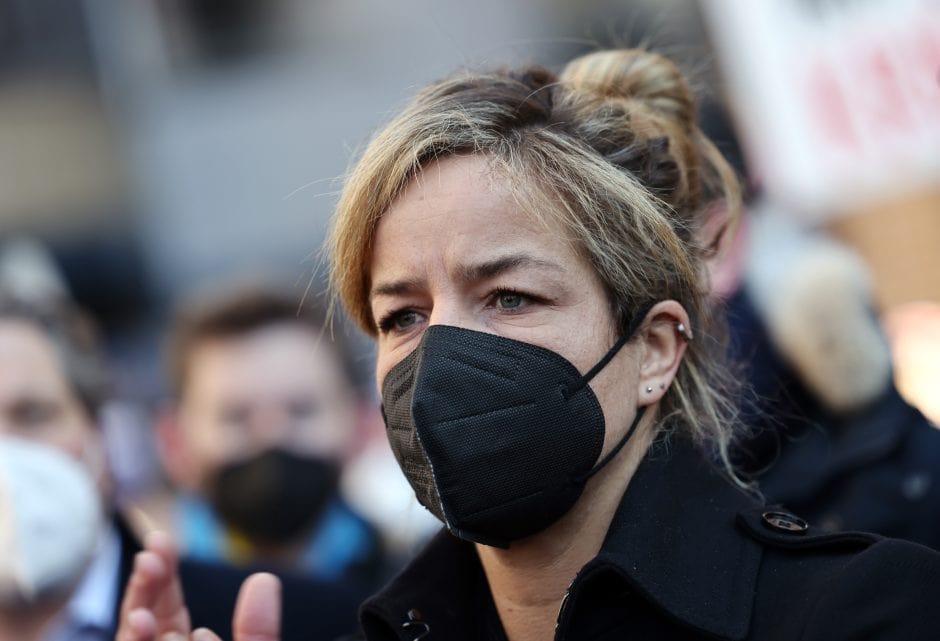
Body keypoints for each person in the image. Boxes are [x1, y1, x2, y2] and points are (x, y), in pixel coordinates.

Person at [116, 48, 940, 641]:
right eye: (402, 315)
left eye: (509, 296)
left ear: (654, 347)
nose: (441, 351)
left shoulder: (870, 610)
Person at [0, 292, 363, 641]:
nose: (7, 449)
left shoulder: (311, 617)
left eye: (31, 414)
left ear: (101, 435)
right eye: (235, 417)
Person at [154, 286, 386, 584]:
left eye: (301, 410)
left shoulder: (419, 586)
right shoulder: (148, 605)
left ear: (361, 426)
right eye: (235, 417)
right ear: (174, 442)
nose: (271, 436)